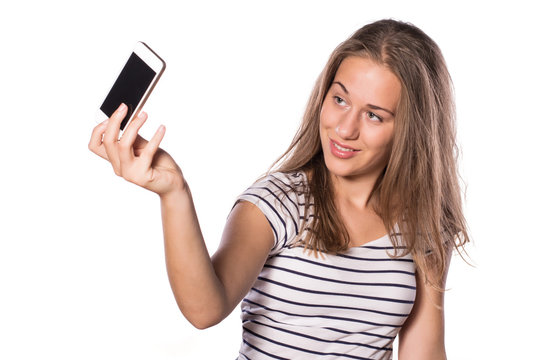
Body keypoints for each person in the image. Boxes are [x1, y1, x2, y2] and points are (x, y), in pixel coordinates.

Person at [89, 19, 469, 360]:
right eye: (339, 99)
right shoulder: (280, 201)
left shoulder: (425, 224)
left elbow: (425, 352)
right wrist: (174, 192)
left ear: (411, 129)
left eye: (373, 115)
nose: (345, 128)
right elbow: (205, 309)